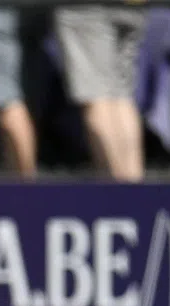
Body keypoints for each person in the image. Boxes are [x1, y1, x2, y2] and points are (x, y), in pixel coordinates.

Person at [56, 5, 145, 181]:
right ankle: (135, 191)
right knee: (121, 97)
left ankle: (119, 195)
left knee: (98, 98)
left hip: (88, 8)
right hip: (132, 7)